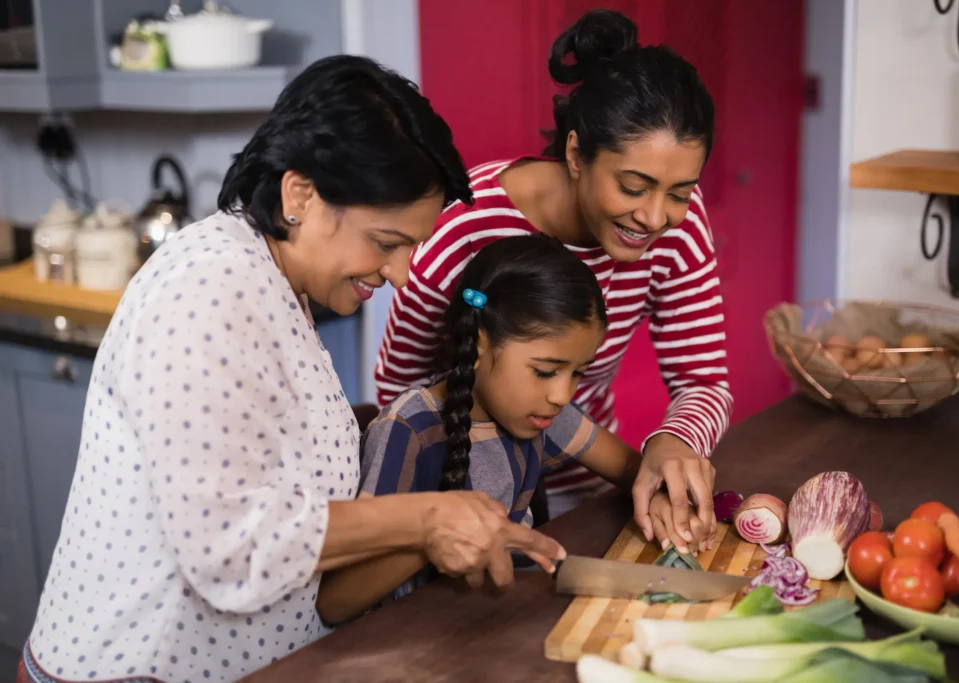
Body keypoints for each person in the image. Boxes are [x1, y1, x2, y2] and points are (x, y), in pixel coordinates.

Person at [17, 55, 568, 683]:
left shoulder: (272, 281)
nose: (400, 274)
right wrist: (428, 515)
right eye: (387, 243)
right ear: (300, 194)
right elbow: (230, 545)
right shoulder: (208, 289)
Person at [374, 8, 731, 544]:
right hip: (459, 504)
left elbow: (702, 380)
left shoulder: (681, 225)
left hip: (589, 487)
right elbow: (400, 390)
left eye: (679, 192)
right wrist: (453, 510)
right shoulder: (465, 226)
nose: (657, 217)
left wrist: (674, 442)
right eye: (634, 187)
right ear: (575, 154)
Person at [315, 234, 697, 623]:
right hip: (414, 642)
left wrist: (661, 494)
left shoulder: (540, 409)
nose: (562, 394)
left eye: (577, 373)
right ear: (480, 343)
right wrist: (434, 535)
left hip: (495, 626)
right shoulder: (410, 430)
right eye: (545, 371)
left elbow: (637, 472)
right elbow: (336, 601)